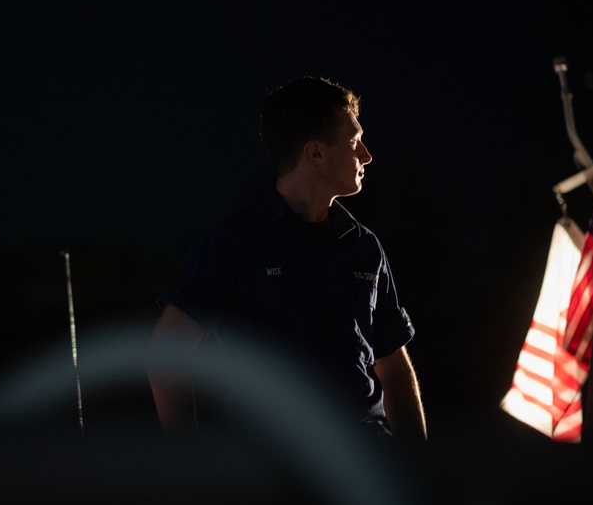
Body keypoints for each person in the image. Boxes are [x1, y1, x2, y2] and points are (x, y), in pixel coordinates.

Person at [148, 76, 426, 442]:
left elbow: (392, 365)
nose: (367, 156)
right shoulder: (234, 243)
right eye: (355, 142)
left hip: (366, 462)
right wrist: (193, 467)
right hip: (270, 465)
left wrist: (417, 466)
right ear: (315, 153)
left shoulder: (365, 247)